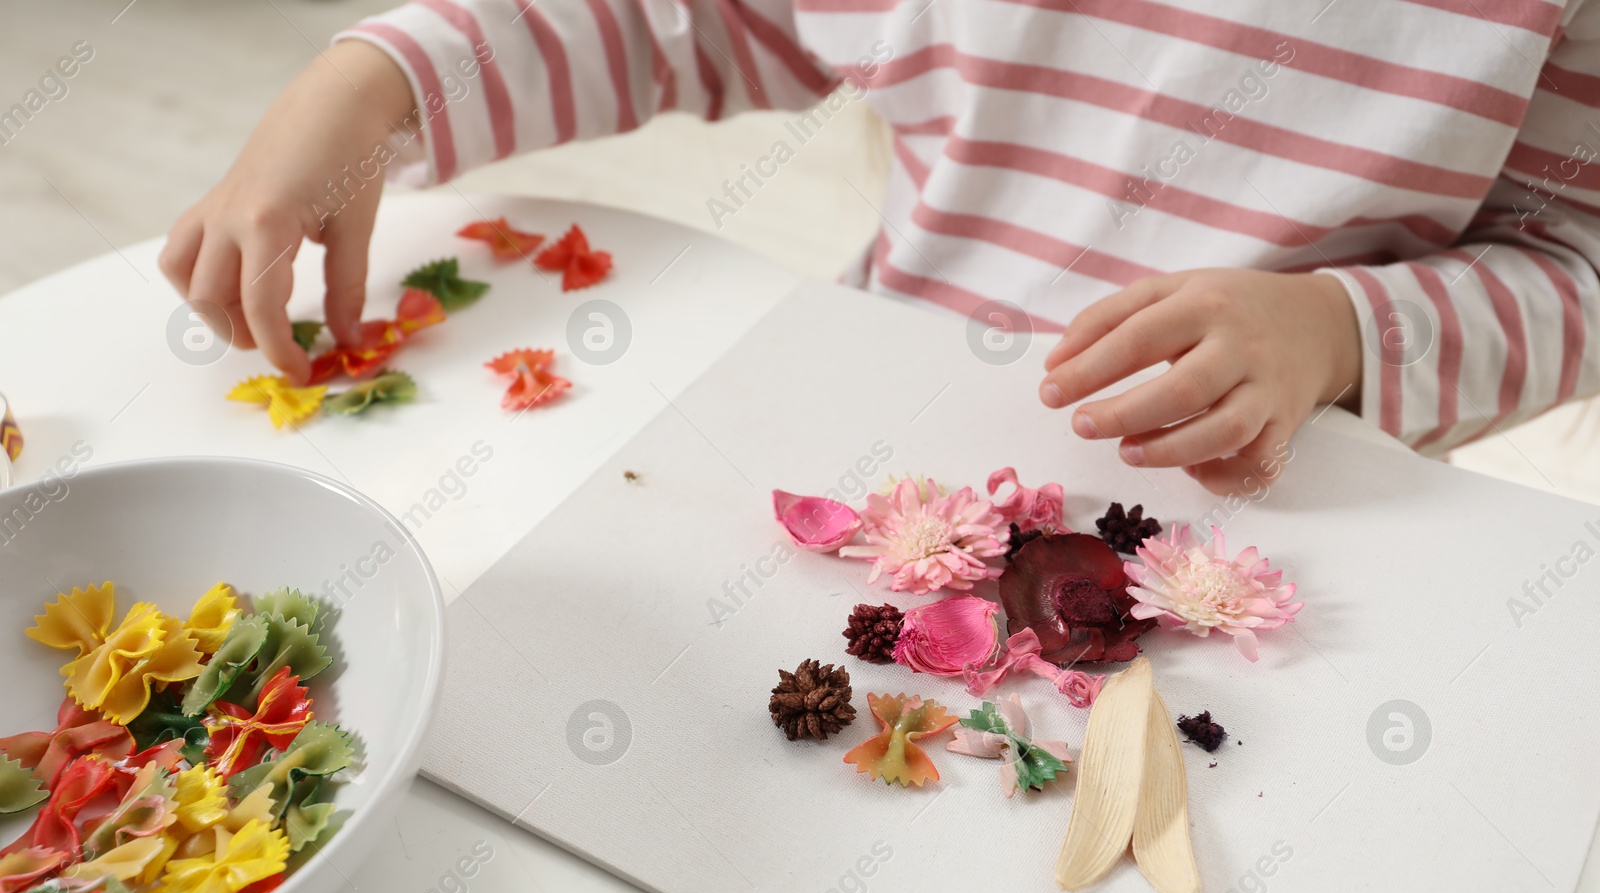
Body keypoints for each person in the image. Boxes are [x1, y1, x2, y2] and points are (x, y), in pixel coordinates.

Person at [160, 0, 1600, 493]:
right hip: (870, 430)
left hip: (1278, 519)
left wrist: (1339, 335)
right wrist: (380, 80)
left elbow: (1574, 265)